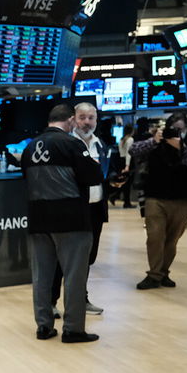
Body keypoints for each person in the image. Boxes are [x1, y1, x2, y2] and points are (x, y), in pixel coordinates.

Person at [20, 104, 103, 343]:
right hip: (71, 221)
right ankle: (73, 329)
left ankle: (43, 326)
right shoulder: (72, 144)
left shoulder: (29, 147)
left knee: (42, 276)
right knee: (75, 276)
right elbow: (94, 176)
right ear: (69, 121)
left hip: (38, 219)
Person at [129, 111, 187, 289]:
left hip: (183, 199)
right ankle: (154, 274)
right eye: (173, 130)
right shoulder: (155, 141)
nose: (176, 134)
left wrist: (182, 148)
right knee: (155, 237)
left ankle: (163, 273)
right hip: (155, 197)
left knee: (172, 240)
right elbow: (133, 150)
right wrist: (154, 140)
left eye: (180, 130)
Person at [49, 102, 109, 316]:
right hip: (72, 209)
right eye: (82, 117)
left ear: (96, 120)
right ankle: (51, 302)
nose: (86, 122)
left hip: (94, 210)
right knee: (60, 259)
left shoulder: (101, 144)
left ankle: (80, 300)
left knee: (87, 259)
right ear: (73, 119)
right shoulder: (64, 143)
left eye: (91, 118)